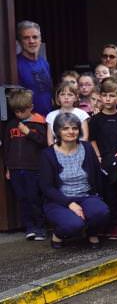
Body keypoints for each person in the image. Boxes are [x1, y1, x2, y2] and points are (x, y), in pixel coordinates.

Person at [39, 113, 109, 249]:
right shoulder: (47, 154)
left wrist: (98, 198)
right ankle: (58, 235)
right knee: (73, 225)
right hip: (59, 200)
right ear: (58, 131)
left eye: (75, 128)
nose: (71, 132)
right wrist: (69, 203)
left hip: (86, 195)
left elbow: (96, 176)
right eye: (65, 128)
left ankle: (91, 232)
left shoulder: (87, 148)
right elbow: (46, 187)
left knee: (101, 212)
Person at [1, 88, 48, 240]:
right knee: (22, 198)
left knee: (34, 197)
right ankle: (30, 227)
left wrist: (28, 132)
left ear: (31, 107)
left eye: (23, 111)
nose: (20, 114)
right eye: (16, 111)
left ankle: (40, 227)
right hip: (15, 167)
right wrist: (8, 168)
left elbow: (43, 142)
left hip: (33, 167)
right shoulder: (11, 125)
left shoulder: (39, 122)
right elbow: (7, 147)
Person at [88, 79, 117, 240]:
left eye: (111, 95)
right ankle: (112, 225)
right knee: (108, 193)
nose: (107, 99)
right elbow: (92, 139)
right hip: (104, 160)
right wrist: (98, 156)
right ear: (100, 97)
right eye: (104, 95)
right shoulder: (96, 119)